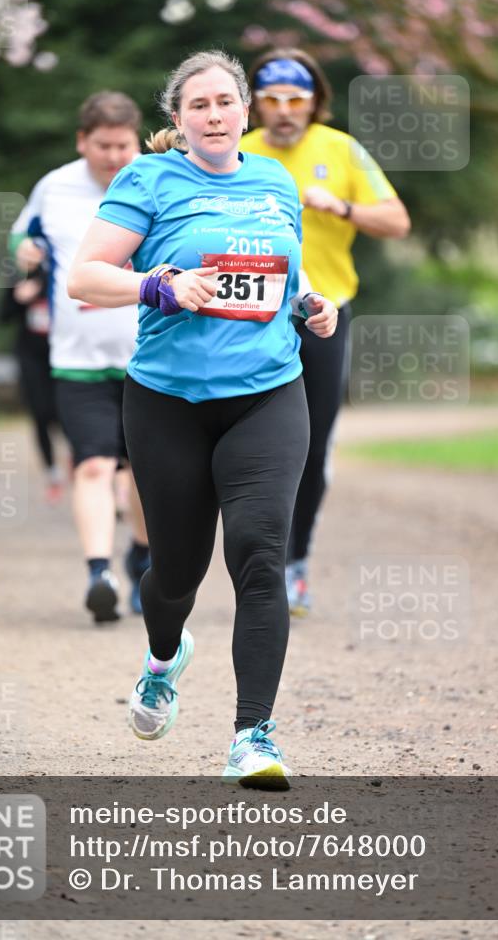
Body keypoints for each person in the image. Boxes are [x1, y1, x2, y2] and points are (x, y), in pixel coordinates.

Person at [68, 50, 338, 787]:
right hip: (168, 402)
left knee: (258, 557)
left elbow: (283, 269)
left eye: (225, 102)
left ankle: (253, 736)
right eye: (199, 106)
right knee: (175, 572)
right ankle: (163, 658)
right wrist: (160, 284)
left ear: (243, 110)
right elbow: (84, 276)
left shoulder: (274, 180)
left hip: (267, 392)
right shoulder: (149, 179)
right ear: (179, 119)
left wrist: (314, 305)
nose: (214, 116)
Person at [242, 49, 411, 617]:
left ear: (315, 100)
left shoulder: (341, 150)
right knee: (236, 439)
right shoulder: (237, 151)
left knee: (310, 445)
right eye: (272, 99)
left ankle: (295, 561)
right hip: (245, 314)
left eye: (296, 99)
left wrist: (339, 205)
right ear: (255, 103)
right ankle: (243, 558)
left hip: (322, 313)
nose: (284, 110)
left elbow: (396, 220)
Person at [10, 91, 150, 621]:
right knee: (92, 464)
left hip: (149, 356)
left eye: (123, 145)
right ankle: (99, 572)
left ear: (137, 140)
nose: (114, 157)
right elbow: (22, 237)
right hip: (77, 358)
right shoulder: (55, 186)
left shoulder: (157, 179)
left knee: (141, 472)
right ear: (81, 141)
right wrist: (24, 251)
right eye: (102, 146)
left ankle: (142, 559)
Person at [0, 260, 63, 504]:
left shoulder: (62, 269)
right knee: (40, 414)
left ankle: (77, 462)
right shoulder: (19, 276)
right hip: (30, 357)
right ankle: (52, 472)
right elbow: (2, 316)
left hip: (62, 355)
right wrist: (19, 298)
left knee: (64, 413)